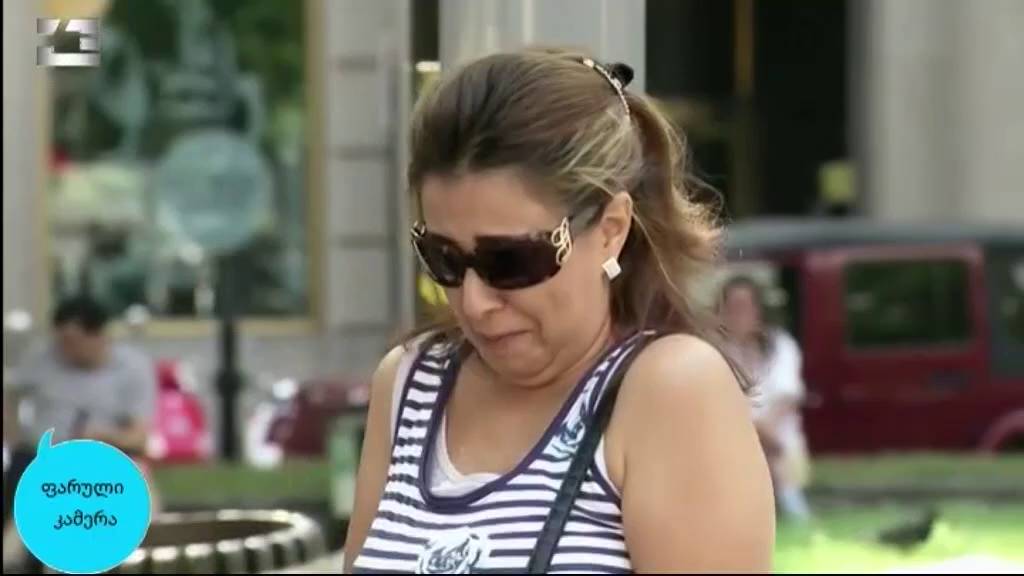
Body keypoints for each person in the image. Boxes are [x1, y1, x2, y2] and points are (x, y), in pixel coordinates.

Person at [343, 48, 775, 574]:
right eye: (444, 258)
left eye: (511, 260)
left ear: (611, 230)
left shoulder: (669, 390)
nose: (474, 302)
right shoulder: (410, 384)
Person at [2, 297, 159, 546]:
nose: (65, 349)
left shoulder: (132, 368)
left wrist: (99, 436)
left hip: (104, 457)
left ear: (98, 335)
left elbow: (139, 438)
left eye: (72, 341)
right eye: (60, 341)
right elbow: (11, 392)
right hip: (42, 456)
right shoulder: (42, 359)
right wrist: (14, 434)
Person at [718, 276, 812, 522]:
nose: (739, 315)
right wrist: (757, 433)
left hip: (779, 440)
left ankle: (795, 515)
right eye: (733, 307)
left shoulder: (782, 345)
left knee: (779, 460)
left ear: (759, 310)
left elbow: (787, 396)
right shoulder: (715, 350)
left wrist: (764, 435)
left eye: (745, 306)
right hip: (734, 441)